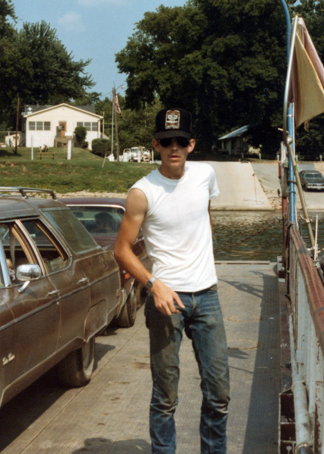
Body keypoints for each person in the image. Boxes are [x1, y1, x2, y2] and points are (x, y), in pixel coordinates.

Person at [114, 108, 230, 454]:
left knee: (219, 393)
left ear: (192, 144)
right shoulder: (142, 191)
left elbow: (203, 219)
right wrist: (154, 284)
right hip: (166, 300)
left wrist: (202, 261)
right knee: (166, 396)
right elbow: (121, 251)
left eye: (181, 141)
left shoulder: (206, 175)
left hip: (207, 295)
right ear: (156, 145)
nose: (174, 147)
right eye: (167, 141)